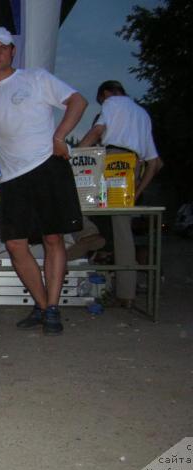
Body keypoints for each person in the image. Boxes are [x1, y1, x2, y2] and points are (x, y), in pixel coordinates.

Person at [0, 27, 87, 335]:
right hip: (12, 178)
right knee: (15, 245)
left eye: (2, 48)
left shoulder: (36, 78)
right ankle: (43, 306)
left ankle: (52, 308)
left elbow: (78, 101)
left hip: (47, 167)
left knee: (53, 239)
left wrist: (60, 135)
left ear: (13, 52)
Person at [78, 80, 163, 308]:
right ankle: (126, 294)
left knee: (77, 199)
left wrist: (74, 155)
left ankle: (90, 233)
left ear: (105, 93)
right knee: (123, 230)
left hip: (111, 159)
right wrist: (135, 194)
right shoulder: (142, 114)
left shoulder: (111, 102)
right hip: (132, 166)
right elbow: (155, 163)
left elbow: (97, 131)